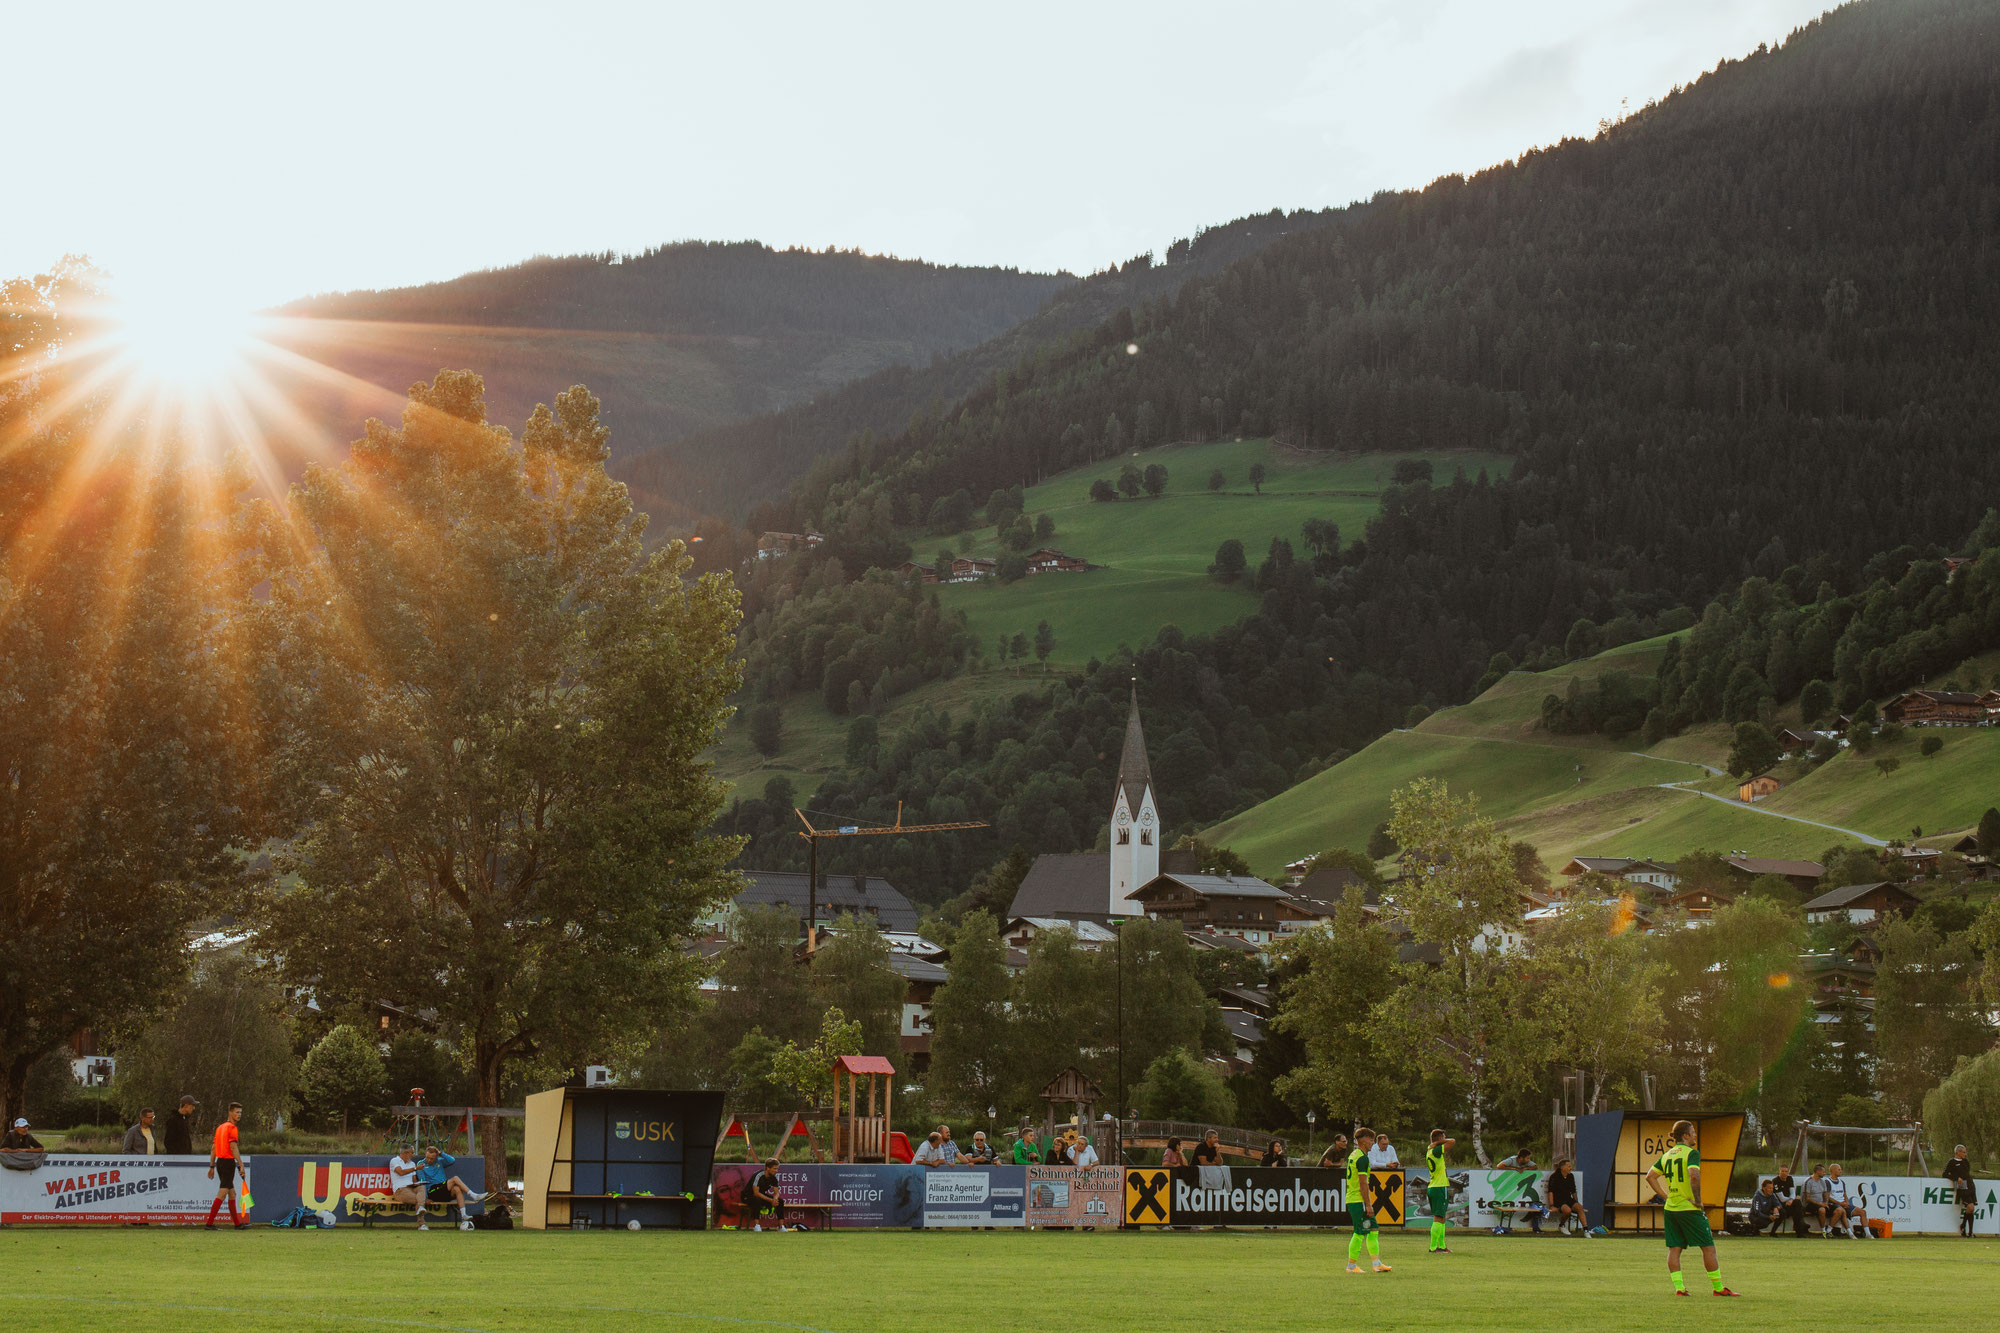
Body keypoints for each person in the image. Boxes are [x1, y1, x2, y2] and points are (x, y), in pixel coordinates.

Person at [1643, 1119, 1736, 1297]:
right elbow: (1694, 1176)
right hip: (1688, 1207)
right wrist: (1698, 1200)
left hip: (1671, 1209)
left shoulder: (1668, 1155)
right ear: (1685, 1135)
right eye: (1693, 1132)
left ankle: (1679, 1288)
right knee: (1708, 1248)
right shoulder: (1691, 1153)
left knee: (1674, 1249)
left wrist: (1665, 1196)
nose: (1695, 1135)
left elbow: (1650, 1177)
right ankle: (1718, 1288)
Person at [1343, 1128, 1390, 1274]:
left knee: (1372, 1230)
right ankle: (1351, 1266)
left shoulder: (1354, 1155)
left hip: (1353, 1198)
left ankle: (1376, 1263)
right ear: (1363, 1140)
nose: (1372, 1143)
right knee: (1359, 1232)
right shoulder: (1363, 1158)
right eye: (1370, 1140)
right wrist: (1368, 1204)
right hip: (1358, 1201)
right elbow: (1363, 1183)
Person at [202, 1102, 248, 1230]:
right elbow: (233, 1147)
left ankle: (237, 1224)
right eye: (237, 1112)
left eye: (240, 1113)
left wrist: (212, 1166)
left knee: (232, 1193)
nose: (239, 1115)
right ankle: (209, 1224)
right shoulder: (232, 1128)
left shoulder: (220, 1128)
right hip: (227, 1163)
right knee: (222, 1193)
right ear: (230, 1112)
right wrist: (241, 1165)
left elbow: (213, 1148)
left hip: (220, 1163)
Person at [419, 1145, 480, 1228]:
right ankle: (472, 1195)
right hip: (433, 1191)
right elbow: (422, 1181)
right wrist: (425, 1197)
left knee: (457, 1188)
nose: (429, 1160)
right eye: (427, 1157)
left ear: (436, 1156)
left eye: (432, 1158)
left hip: (444, 1191)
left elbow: (452, 1160)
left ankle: (464, 1215)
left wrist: (441, 1153)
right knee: (455, 1179)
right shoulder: (420, 1164)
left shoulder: (439, 1161)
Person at [1424, 1129, 1455, 1254]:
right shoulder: (1435, 1151)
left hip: (1434, 1186)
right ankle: (1433, 1247)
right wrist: (1440, 1142)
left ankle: (1442, 1246)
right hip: (1439, 1187)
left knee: (1441, 1218)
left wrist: (1436, 1143)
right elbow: (1452, 1142)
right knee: (1438, 1218)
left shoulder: (1430, 1150)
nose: (1446, 1138)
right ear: (1439, 1139)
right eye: (1443, 1136)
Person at [388, 1144, 430, 1229]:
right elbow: (401, 1172)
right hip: (400, 1190)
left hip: (411, 1188)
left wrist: (417, 1184)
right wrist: (415, 1169)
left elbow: (414, 1180)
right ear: (406, 1153)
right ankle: (422, 1224)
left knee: (421, 1187)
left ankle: (421, 1207)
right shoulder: (394, 1161)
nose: (413, 1155)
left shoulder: (412, 1164)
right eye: (412, 1153)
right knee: (419, 1200)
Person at [1545, 1158, 1588, 1236]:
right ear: (1562, 1167)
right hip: (1558, 1200)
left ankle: (1586, 1230)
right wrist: (1552, 1205)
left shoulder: (1571, 1176)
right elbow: (1550, 1192)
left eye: (1570, 1166)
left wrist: (1576, 1202)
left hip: (1568, 1199)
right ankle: (1561, 1225)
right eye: (1568, 1166)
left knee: (1580, 1207)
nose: (1570, 1168)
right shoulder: (1554, 1176)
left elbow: (1573, 1191)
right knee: (1567, 1211)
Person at [1826, 1164, 1869, 1238]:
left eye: (1841, 1169)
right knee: (1841, 1211)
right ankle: (1829, 1231)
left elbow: (1845, 1195)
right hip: (1833, 1204)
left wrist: (1847, 1203)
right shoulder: (1827, 1182)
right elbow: (1827, 1197)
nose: (1841, 1171)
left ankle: (1868, 1234)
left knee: (1862, 1212)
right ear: (1833, 1171)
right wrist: (1840, 1203)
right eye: (1839, 1169)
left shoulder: (1841, 1182)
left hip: (1842, 1204)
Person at [1800, 1164, 1842, 1237]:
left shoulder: (1822, 1182)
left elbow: (1825, 1195)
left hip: (1821, 1204)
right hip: (1810, 1204)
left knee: (1839, 1210)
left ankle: (1829, 1230)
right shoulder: (1808, 1181)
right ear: (1817, 1172)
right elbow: (1807, 1199)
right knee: (1822, 1210)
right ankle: (1823, 1231)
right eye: (1823, 1172)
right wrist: (1821, 1204)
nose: (1825, 1173)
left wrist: (1825, 1203)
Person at [1944, 1145, 1976, 1237]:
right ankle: (1964, 1228)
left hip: (1970, 1185)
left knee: (1971, 1208)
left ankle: (1969, 1231)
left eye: (1965, 1152)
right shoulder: (1952, 1162)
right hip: (1961, 1186)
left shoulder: (1965, 1161)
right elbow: (1945, 1174)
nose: (1965, 1154)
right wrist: (1956, 1178)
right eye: (1963, 1152)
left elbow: (1967, 1172)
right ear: (1958, 1152)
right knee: (1970, 1207)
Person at [745, 1158, 783, 1231]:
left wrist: (775, 1199)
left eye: (777, 1169)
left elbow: (776, 1192)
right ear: (767, 1168)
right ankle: (757, 1225)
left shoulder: (773, 1178)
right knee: (757, 1200)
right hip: (748, 1196)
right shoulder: (759, 1175)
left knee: (780, 1201)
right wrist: (771, 1200)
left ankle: (781, 1227)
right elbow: (756, 1193)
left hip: (761, 1195)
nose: (776, 1171)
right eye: (774, 1169)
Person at [1769, 1165, 1807, 1235]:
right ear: (1779, 1172)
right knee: (1797, 1206)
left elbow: (1793, 1193)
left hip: (1789, 1204)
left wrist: (1791, 1200)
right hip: (1779, 1204)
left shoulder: (1789, 1178)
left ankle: (1799, 1229)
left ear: (1788, 1172)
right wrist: (1792, 1199)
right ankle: (1800, 1228)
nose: (1784, 1173)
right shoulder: (1775, 1181)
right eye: (1782, 1171)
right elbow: (1782, 1198)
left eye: (1786, 1171)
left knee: (1797, 1204)